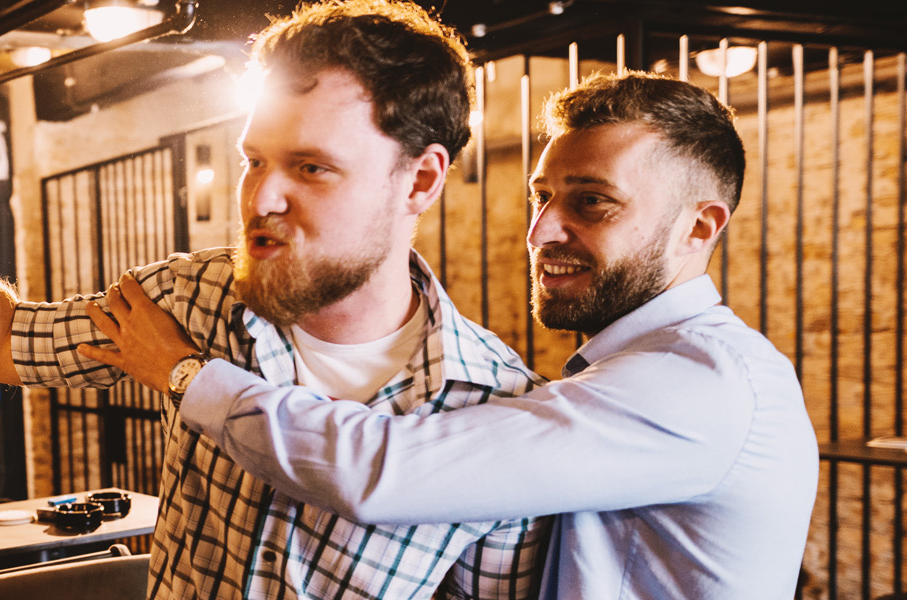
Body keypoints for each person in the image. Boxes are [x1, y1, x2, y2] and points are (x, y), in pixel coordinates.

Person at [0, 1, 554, 597]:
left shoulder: (496, 413)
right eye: (254, 160)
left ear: (422, 181)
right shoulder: (198, 297)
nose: (261, 197)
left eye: (312, 167)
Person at [96, 72, 819, 599]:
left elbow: (384, 471)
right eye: (542, 197)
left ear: (700, 227)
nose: (541, 232)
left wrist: (187, 374)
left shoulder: (703, 381)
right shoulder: (635, 371)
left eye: (591, 203)